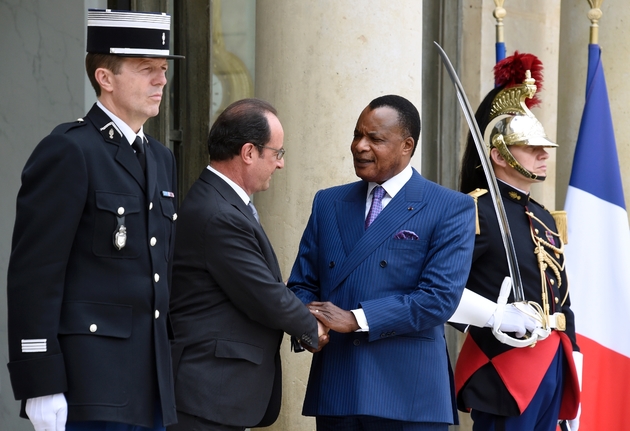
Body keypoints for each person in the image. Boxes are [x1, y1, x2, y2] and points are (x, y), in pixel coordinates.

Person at [6, 9, 183, 431]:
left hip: (150, 386)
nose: (161, 80)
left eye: (162, 69)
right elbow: (35, 276)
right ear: (105, 77)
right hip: (88, 387)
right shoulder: (69, 150)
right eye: (147, 70)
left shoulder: (160, 158)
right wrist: (40, 383)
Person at [287, 95, 476, 431]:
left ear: (407, 145)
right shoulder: (328, 202)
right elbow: (302, 283)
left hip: (408, 394)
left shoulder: (450, 207)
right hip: (338, 386)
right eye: (357, 135)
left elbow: (439, 299)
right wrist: (307, 322)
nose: (360, 146)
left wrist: (356, 318)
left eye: (375, 139)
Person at [168, 98, 327, 431]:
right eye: (277, 153)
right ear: (249, 152)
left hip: (216, 394)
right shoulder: (220, 214)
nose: (280, 164)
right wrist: (312, 326)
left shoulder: (221, 202)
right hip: (207, 395)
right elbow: (263, 293)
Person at [454, 52, 582, 431]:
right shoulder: (472, 210)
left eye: (544, 147)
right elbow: (442, 289)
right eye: (531, 147)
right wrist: (495, 317)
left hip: (554, 363)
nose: (544, 154)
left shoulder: (544, 217)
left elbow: (563, 299)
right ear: (500, 154)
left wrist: (575, 363)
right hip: (503, 366)